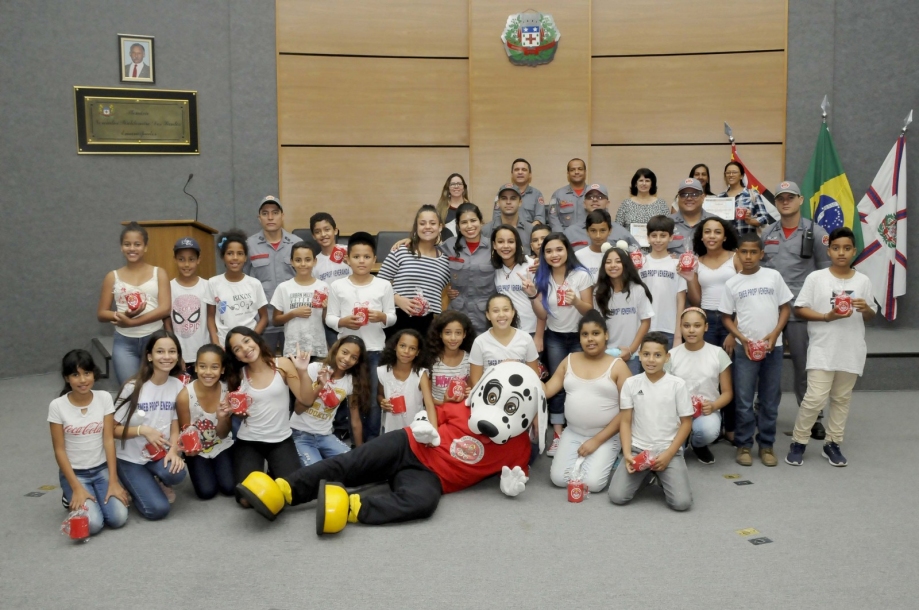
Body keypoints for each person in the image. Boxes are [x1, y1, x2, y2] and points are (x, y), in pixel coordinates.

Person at [236, 362, 545, 530]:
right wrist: (424, 422)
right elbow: (430, 412)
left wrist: (512, 484)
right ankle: (284, 490)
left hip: (431, 478)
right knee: (350, 463)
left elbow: (519, 470)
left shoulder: (519, 446)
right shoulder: (462, 407)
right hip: (407, 444)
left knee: (423, 504)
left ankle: (351, 507)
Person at [786, 227, 877, 467]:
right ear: (829, 250)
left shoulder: (863, 280)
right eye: (836, 248)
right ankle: (798, 442)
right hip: (823, 349)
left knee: (841, 399)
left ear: (854, 251)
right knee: (814, 399)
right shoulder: (816, 278)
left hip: (851, 349)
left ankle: (832, 443)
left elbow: (870, 314)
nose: (841, 253)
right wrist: (828, 316)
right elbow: (800, 308)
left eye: (847, 248)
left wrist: (865, 308)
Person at [761, 180, 831, 440]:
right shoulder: (767, 233)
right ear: (776, 203)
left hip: (802, 312)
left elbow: (826, 274)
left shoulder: (817, 232)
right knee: (766, 365)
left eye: (791, 197)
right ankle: (763, 410)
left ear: (801, 200)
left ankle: (813, 417)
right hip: (770, 311)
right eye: (781, 198)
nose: (785, 201)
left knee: (804, 367)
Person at [719, 233, 794, 467]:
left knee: (770, 398)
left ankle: (767, 444)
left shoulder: (773, 277)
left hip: (773, 347)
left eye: (753, 252)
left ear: (762, 254)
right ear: (737, 254)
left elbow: (785, 309)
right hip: (745, 350)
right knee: (743, 399)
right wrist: (741, 338)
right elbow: (726, 317)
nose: (749, 256)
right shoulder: (732, 283)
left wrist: (775, 334)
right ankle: (743, 444)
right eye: (744, 252)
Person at [521, 233, 593, 453]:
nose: (554, 255)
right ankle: (559, 435)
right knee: (557, 385)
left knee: (581, 384)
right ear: (543, 254)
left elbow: (589, 311)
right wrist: (533, 295)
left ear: (567, 250)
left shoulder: (580, 275)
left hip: (581, 337)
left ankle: (581, 431)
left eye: (559, 249)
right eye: (549, 251)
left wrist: (576, 301)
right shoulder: (542, 277)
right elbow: (543, 314)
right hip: (555, 337)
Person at [545, 310, 630, 492]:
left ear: (606, 335)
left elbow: (628, 411)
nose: (590, 339)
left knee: (592, 484)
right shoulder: (569, 359)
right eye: (585, 334)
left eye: (595, 333)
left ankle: (614, 455)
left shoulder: (618, 366)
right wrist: (521, 371)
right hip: (573, 431)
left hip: (605, 434)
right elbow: (546, 390)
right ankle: (586, 457)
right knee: (559, 479)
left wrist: (597, 441)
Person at [224, 326, 312, 502]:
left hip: (281, 439)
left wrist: (302, 371)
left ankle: (272, 473)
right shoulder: (238, 376)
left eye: (246, 341)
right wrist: (233, 411)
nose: (245, 349)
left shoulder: (282, 364)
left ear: (255, 339)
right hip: (249, 441)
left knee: (292, 495)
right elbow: (242, 415)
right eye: (237, 349)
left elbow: (306, 400)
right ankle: (265, 476)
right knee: (246, 500)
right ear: (235, 356)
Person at [608, 332, 693, 511]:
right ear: (639, 355)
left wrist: (669, 454)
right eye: (646, 354)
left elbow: (686, 423)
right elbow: (625, 422)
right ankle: (649, 475)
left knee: (681, 503)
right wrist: (627, 454)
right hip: (638, 449)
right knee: (617, 496)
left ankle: (661, 473)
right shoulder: (631, 384)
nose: (651, 360)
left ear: (667, 357)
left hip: (667, 450)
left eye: (657, 355)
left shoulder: (678, 385)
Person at [48, 350, 129, 535]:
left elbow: (109, 440)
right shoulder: (57, 406)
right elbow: (59, 450)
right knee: (93, 524)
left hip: (101, 469)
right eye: (75, 375)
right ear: (67, 378)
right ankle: (69, 494)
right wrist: (76, 487)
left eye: (87, 373)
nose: (83, 380)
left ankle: (96, 495)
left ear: (94, 374)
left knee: (118, 518)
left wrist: (114, 481)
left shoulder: (104, 398)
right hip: (75, 473)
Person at [326, 232, 396, 441]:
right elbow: (329, 317)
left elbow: (392, 317)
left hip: (374, 350)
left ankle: (373, 441)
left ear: (374, 259)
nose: (361, 261)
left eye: (366, 256)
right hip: (346, 354)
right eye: (356, 256)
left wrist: (382, 316)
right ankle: (347, 437)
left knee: (373, 399)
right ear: (347, 259)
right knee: (348, 397)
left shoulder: (383, 285)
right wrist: (342, 322)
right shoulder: (338, 286)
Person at [113, 330, 187, 520]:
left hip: (157, 454)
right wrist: (142, 430)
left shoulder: (177, 386)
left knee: (177, 474)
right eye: (160, 352)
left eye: (172, 351)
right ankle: (131, 482)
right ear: (149, 356)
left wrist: (173, 451)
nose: (166, 357)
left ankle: (153, 479)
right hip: (129, 459)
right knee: (157, 510)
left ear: (178, 356)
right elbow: (112, 430)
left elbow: (174, 423)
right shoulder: (133, 387)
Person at [684, 216, 740, 439]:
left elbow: (743, 296)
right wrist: (688, 277)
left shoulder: (735, 258)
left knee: (731, 376)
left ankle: (732, 428)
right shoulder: (696, 261)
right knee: (710, 374)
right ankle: (712, 425)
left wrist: (734, 332)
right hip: (705, 321)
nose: (712, 236)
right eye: (707, 232)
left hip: (732, 319)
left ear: (725, 235)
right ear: (702, 236)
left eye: (717, 232)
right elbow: (696, 301)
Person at [97, 222, 171, 385]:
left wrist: (132, 322)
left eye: (137, 244)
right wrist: (122, 315)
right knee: (129, 391)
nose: (132, 248)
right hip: (124, 343)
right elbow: (102, 313)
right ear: (121, 247)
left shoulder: (159, 273)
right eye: (127, 244)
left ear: (145, 247)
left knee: (155, 390)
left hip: (154, 339)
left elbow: (165, 309)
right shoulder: (112, 276)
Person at [666, 308, 734, 464]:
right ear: (680, 327)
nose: (691, 330)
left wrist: (714, 405)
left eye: (697, 325)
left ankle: (698, 444)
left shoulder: (718, 353)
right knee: (673, 453)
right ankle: (682, 439)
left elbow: (727, 392)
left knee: (707, 431)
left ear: (706, 327)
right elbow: (663, 389)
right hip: (676, 413)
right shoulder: (672, 355)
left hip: (706, 411)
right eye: (686, 325)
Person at [289, 336, 369, 466]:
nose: (347, 359)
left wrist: (359, 452)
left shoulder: (350, 381)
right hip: (300, 434)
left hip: (325, 436)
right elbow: (298, 409)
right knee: (316, 471)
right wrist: (320, 386)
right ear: (336, 350)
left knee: (354, 464)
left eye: (354, 357)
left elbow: (355, 420)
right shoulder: (315, 369)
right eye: (344, 352)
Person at [378, 205, 452, 338]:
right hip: (398, 318)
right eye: (422, 223)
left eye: (432, 223)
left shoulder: (446, 260)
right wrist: (397, 299)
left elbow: (445, 294)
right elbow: (378, 285)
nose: (427, 227)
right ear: (416, 228)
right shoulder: (401, 251)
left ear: (440, 227)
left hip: (429, 325)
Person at [176, 345, 234, 499]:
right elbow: (185, 430)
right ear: (195, 368)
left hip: (221, 444)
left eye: (214, 367)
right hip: (197, 451)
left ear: (222, 370)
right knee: (206, 492)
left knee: (229, 487)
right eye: (202, 366)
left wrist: (222, 418)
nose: (208, 372)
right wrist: (189, 449)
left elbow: (223, 434)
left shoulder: (227, 392)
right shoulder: (184, 395)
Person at [244, 196, 298, 353]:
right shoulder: (249, 245)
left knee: (295, 368)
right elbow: (243, 281)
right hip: (263, 322)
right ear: (259, 218)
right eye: (265, 213)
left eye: (275, 212)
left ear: (282, 216)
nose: (270, 217)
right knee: (264, 367)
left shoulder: (297, 244)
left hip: (292, 320)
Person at [593, 247, 655, 375]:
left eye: (618, 261)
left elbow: (646, 322)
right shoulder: (598, 292)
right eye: (608, 262)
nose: (613, 265)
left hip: (632, 355)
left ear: (625, 264)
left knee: (630, 391)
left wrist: (631, 350)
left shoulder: (637, 290)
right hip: (606, 353)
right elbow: (596, 325)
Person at [207, 230, 269, 346]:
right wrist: (216, 343)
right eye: (230, 253)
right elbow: (210, 317)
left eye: (240, 253)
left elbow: (264, 317)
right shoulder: (213, 283)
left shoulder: (254, 284)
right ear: (222, 257)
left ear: (246, 257)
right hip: (224, 345)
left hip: (249, 345)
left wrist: (252, 339)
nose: (235, 258)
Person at [270, 240, 329, 361]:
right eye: (298, 260)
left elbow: (327, 320)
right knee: (295, 380)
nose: (303, 264)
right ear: (291, 262)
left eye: (307, 259)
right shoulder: (284, 287)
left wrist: (326, 308)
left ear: (314, 261)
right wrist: (294, 313)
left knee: (316, 379)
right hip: (293, 348)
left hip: (317, 347)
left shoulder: (324, 287)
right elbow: (275, 320)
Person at [440, 203, 493, 334]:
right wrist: (410, 241)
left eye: (473, 220)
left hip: (485, 318)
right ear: (458, 226)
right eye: (464, 222)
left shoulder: (494, 246)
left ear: (481, 222)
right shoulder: (449, 245)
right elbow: (428, 255)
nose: (469, 226)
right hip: (456, 316)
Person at [469, 293, 540, 387]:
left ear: (513, 312)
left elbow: (534, 376)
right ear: (488, 315)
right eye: (495, 311)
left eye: (506, 310)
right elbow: (475, 382)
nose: (501, 314)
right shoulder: (479, 342)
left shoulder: (526, 339)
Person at [166, 237, 211, 376]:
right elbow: (167, 321)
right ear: (174, 259)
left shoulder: (208, 286)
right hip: (178, 357)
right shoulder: (168, 287)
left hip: (204, 355)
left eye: (191, 259)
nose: (186, 264)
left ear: (199, 259)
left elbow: (211, 319)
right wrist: (175, 353)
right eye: (181, 259)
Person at [641, 215, 687, 349]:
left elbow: (681, 301)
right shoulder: (640, 263)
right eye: (654, 235)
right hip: (643, 327)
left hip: (669, 329)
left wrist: (678, 335)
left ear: (671, 237)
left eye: (663, 235)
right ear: (648, 237)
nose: (658, 240)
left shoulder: (677, 265)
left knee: (667, 369)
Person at [378, 329, 435, 434]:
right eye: (402, 346)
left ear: (418, 352)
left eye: (412, 348)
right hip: (390, 429)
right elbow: (380, 394)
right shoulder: (382, 371)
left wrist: (433, 432)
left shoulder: (421, 374)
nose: (406, 351)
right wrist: (383, 402)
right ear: (395, 346)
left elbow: (429, 404)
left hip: (415, 429)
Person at [426, 311, 476, 419]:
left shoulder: (470, 360)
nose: (453, 338)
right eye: (448, 333)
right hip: (436, 414)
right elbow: (426, 397)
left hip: (461, 414)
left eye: (458, 333)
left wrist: (469, 392)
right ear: (440, 334)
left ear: (464, 334)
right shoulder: (431, 360)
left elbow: (472, 388)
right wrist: (443, 402)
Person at [559, 184, 638, 251]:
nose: (595, 200)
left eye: (600, 197)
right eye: (590, 197)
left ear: (607, 203)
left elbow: (638, 254)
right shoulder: (570, 232)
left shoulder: (621, 232)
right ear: (584, 204)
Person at [492, 225, 537, 336]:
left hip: (531, 329)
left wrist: (539, 336)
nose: (506, 246)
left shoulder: (532, 265)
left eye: (511, 241)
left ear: (517, 244)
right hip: (507, 330)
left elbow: (542, 302)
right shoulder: (494, 268)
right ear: (494, 245)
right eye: (501, 242)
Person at [574, 209, 635, 282]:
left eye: (602, 230)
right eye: (593, 231)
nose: (598, 236)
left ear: (610, 231)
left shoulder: (619, 255)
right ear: (587, 231)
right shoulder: (578, 256)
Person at [719, 162, 770, 236]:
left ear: (741, 176)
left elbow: (765, 218)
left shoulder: (752, 194)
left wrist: (750, 221)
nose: (731, 175)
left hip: (747, 242)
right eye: (728, 173)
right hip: (726, 243)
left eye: (734, 172)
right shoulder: (720, 197)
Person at [668, 178, 715, 255]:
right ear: (678, 198)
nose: (689, 198)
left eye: (694, 194)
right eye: (684, 195)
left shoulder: (715, 222)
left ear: (703, 197)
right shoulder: (667, 224)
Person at [546, 158, 589, 232]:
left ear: (585, 172)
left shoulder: (593, 193)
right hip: (566, 238)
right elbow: (553, 218)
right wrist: (562, 238)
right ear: (568, 173)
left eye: (580, 169)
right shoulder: (558, 194)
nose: (576, 172)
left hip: (589, 238)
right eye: (572, 170)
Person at [501, 158, 546, 225]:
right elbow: (496, 217)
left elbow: (540, 218)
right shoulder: (503, 191)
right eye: (517, 170)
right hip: (507, 231)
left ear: (530, 174)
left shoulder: (536, 194)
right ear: (512, 174)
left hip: (529, 232)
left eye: (524, 170)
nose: (520, 172)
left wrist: (528, 230)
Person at [435, 173, 470, 237]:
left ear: (464, 188)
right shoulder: (440, 209)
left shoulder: (471, 208)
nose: (456, 186)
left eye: (459, 184)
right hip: (445, 245)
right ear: (448, 188)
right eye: (453, 184)